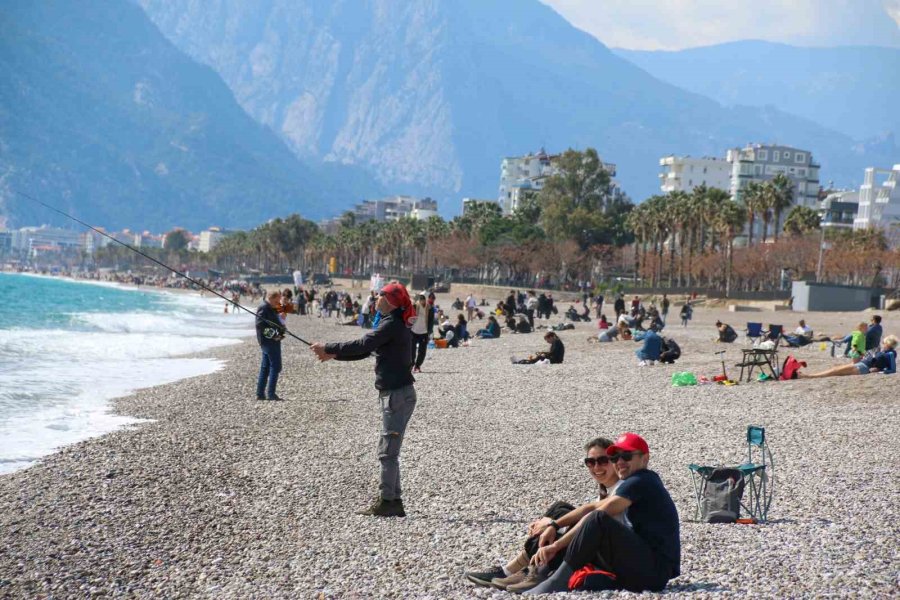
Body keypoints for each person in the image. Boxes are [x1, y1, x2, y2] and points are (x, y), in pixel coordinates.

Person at [310, 282, 417, 518]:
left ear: (390, 301)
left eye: (380, 295)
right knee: (390, 450)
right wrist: (333, 355)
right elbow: (367, 351)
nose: (376, 298)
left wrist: (328, 346)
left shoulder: (391, 325)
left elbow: (363, 344)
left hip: (397, 395)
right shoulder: (393, 324)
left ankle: (388, 501)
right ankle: (394, 500)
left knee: (387, 452)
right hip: (397, 394)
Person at [526, 432, 681, 594]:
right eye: (614, 457)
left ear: (645, 458)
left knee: (598, 520)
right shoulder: (639, 481)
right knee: (570, 514)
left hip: (654, 571)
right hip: (648, 568)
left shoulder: (641, 480)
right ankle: (534, 571)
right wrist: (554, 524)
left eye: (626, 456)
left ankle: (558, 580)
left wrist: (556, 546)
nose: (620, 462)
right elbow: (590, 507)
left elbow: (598, 513)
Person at [465, 438, 623, 592]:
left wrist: (553, 526)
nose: (596, 467)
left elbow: (593, 518)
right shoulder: (605, 490)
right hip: (594, 542)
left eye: (603, 460)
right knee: (559, 508)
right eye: (590, 462)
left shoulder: (622, 490)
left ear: (614, 461)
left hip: (603, 552)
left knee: (563, 520)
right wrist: (552, 524)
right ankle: (524, 569)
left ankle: (528, 571)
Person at [800, 335, 897, 378]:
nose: (883, 343)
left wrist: (879, 371)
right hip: (861, 364)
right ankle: (810, 376)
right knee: (836, 369)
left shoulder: (891, 353)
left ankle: (809, 376)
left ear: (888, 343)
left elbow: (892, 369)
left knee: (836, 372)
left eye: (884, 342)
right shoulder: (882, 350)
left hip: (864, 368)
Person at [255, 290, 286, 401]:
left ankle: (260, 394)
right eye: (277, 300)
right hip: (268, 342)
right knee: (276, 366)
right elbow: (260, 326)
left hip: (272, 341)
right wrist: (274, 335)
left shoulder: (271, 307)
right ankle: (271, 394)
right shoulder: (263, 307)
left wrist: (281, 331)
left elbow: (277, 321)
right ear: (271, 298)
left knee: (266, 367)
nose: (278, 303)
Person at [410, 294, 430, 373]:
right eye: (421, 300)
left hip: (424, 332)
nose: (423, 302)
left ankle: (417, 366)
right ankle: (411, 365)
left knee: (422, 351)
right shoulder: (415, 306)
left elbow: (430, 319)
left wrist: (430, 330)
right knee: (412, 350)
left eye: (424, 300)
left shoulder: (428, 307)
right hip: (414, 331)